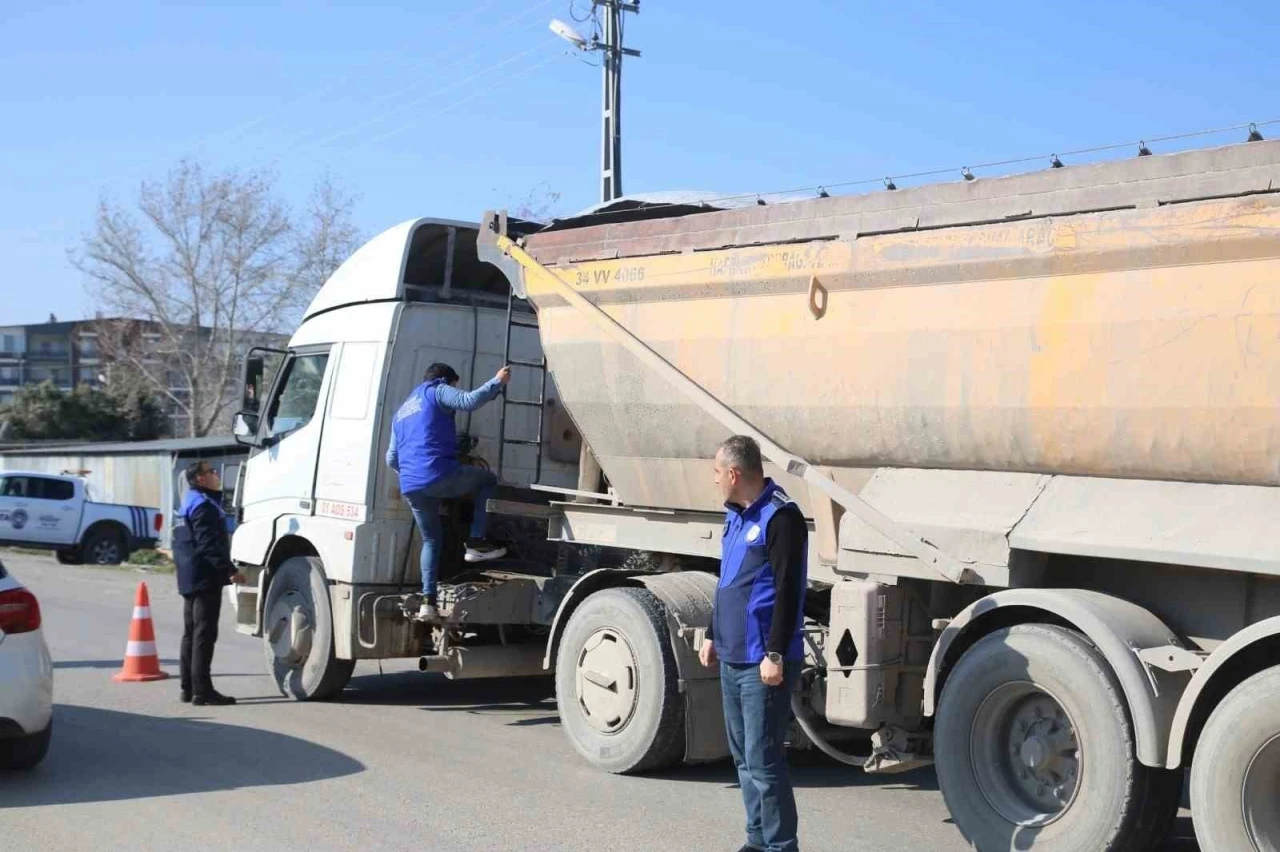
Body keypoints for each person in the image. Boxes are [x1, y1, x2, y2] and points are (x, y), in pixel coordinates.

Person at [700, 435, 807, 852]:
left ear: (733, 473)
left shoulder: (782, 518)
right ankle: (757, 840)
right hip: (732, 655)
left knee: (764, 762)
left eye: (715, 473)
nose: (714, 481)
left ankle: (781, 846)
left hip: (763, 660)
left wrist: (776, 652)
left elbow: (789, 590)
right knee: (744, 759)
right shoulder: (736, 515)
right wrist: (711, 633)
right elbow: (728, 582)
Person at [387, 362, 511, 620]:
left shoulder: (402, 412)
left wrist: (413, 473)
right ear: (446, 379)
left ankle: (427, 602)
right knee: (487, 480)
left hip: (411, 485)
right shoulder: (437, 390)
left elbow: (391, 458)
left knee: (431, 540)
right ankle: (476, 542)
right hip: (439, 474)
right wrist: (497, 381)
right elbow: (468, 401)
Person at [173, 460, 246, 706]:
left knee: (191, 634)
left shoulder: (188, 503)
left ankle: (188, 688)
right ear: (201, 479)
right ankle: (203, 691)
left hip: (189, 575)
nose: (216, 474)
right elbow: (208, 545)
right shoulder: (203, 506)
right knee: (204, 634)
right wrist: (230, 570)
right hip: (204, 576)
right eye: (211, 471)